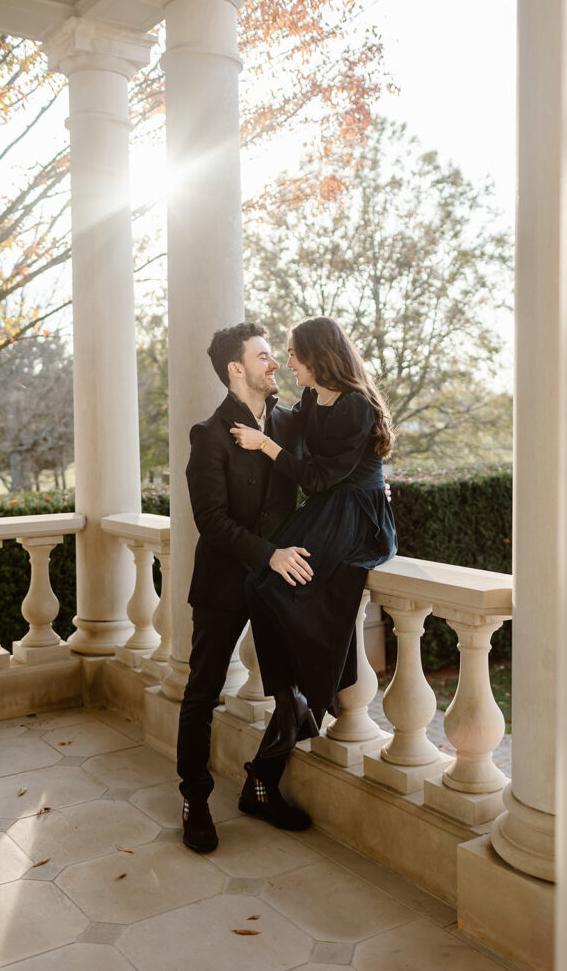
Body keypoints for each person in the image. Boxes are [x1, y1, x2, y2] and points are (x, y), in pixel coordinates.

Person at [230, 316, 397, 759]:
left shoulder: (356, 405)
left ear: (316, 356)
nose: (287, 362)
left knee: (288, 586)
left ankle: (309, 698)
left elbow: (318, 477)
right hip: (328, 508)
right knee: (258, 581)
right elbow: (293, 428)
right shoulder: (312, 394)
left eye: (292, 354)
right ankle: (291, 702)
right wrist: (258, 398)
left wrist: (264, 445)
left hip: (357, 515)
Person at [179, 321, 315, 855]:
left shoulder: (288, 425)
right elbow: (210, 521)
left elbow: (316, 475)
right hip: (223, 585)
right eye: (263, 357)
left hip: (277, 584)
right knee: (201, 694)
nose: (274, 364)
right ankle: (194, 799)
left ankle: (261, 782)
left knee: (294, 694)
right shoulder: (208, 435)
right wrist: (269, 555)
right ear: (237, 369)